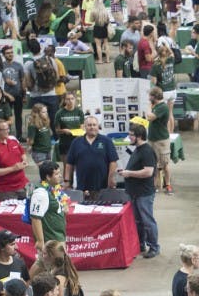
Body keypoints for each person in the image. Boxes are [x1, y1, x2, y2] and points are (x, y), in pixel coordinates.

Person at [120, 123, 159, 258]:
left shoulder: (147, 151)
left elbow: (148, 172)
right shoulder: (137, 149)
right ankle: (140, 244)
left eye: (131, 135)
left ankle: (154, 247)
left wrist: (129, 173)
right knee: (138, 221)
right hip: (135, 192)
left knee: (147, 221)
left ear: (139, 136)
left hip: (144, 193)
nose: (129, 137)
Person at [63, 116, 117, 199]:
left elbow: (113, 162)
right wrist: (67, 181)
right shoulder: (76, 142)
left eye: (94, 125)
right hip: (82, 188)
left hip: (102, 187)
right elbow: (69, 164)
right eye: (89, 125)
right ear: (85, 127)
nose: (92, 127)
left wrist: (111, 179)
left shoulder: (106, 141)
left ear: (98, 126)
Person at [0, 119, 30, 200]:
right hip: (5, 191)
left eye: (8, 128)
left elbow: (22, 153)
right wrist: (13, 168)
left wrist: (24, 161)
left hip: (22, 185)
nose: (8, 131)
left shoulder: (13, 139)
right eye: (5, 130)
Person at [29, 161, 67, 255]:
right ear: (48, 177)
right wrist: (40, 241)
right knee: (62, 264)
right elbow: (35, 218)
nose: (60, 176)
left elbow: (62, 205)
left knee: (41, 264)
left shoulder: (55, 188)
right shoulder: (40, 193)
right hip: (51, 240)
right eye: (57, 174)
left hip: (58, 235)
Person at [145, 85, 174, 195]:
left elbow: (149, 117)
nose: (149, 98)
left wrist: (148, 107)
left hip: (161, 141)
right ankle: (155, 185)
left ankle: (168, 185)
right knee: (154, 164)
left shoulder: (162, 107)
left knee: (164, 164)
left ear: (154, 97)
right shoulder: (156, 106)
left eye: (150, 96)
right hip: (152, 139)